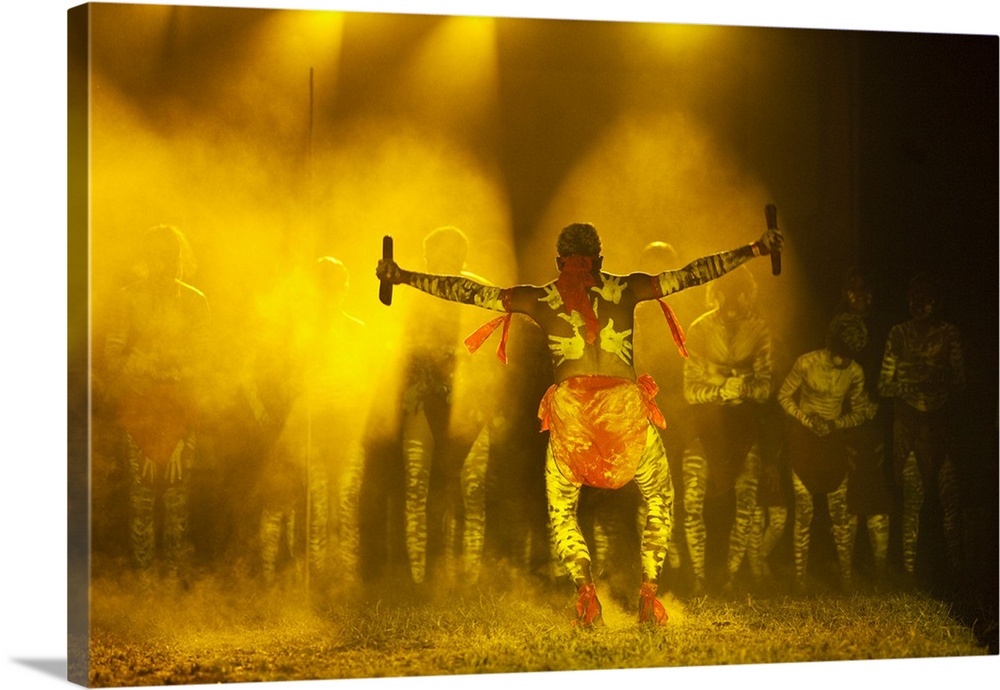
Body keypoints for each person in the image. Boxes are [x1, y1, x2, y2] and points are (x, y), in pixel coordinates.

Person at [376, 220, 783, 626]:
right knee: (659, 498)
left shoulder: (540, 299)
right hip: (623, 413)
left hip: (573, 415)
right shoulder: (627, 288)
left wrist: (404, 276)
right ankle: (648, 594)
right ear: (600, 259)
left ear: (558, 262)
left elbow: (469, 293)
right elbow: (692, 274)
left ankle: (586, 594)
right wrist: (755, 248)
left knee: (562, 507)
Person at [103, 224, 211, 588]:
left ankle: (172, 583)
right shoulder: (127, 298)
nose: (165, 262)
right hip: (140, 409)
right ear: (148, 258)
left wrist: (173, 366)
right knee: (142, 497)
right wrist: (143, 364)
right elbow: (113, 356)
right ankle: (146, 583)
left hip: (180, 408)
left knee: (178, 496)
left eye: (171, 254)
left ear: (181, 257)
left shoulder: (195, 301)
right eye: (158, 254)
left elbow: (205, 360)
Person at [397, 227, 497, 589]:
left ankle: (461, 575)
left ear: (457, 257)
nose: (432, 263)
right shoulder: (419, 295)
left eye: (439, 256)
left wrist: (483, 399)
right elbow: (406, 346)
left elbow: (493, 352)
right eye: (430, 257)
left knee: (466, 490)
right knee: (425, 489)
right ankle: (429, 575)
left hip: (467, 404)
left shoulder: (477, 292)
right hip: (429, 402)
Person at [680, 266, 773, 597]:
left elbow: (765, 388)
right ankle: (699, 578)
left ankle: (730, 576)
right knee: (692, 502)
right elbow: (690, 388)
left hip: (743, 426)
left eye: (739, 294)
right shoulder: (700, 328)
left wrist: (740, 389)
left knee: (746, 504)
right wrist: (723, 390)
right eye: (725, 293)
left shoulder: (758, 329)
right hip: (704, 424)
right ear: (715, 294)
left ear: (749, 294)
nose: (732, 301)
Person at [877, 272, 966, 591]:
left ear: (936, 302)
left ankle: (956, 570)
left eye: (925, 299)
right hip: (909, 425)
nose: (918, 305)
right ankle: (909, 573)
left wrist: (936, 384)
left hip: (939, 424)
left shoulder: (949, 334)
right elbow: (884, 385)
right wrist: (914, 384)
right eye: (913, 298)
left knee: (949, 502)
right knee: (912, 503)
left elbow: (960, 382)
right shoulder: (898, 334)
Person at [778, 315, 872, 593]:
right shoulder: (807, 363)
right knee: (804, 514)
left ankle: (846, 579)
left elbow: (859, 413)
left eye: (848, 356)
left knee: (840, 516)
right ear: (831, 344)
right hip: (804, 444)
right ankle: (799, 580)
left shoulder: (855, 372)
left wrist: (835, 424)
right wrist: (806, 420)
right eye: (839, 354)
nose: (842, 361)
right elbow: (783, 395)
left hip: (833, 445)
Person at [836, 269, 892, 587]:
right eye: (854, 289)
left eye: (866, 289)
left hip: (875, 415)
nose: (861, 296)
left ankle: (879, 564)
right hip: (846, 418)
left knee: (876, 484)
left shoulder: (883, 328)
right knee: (847, 487)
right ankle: (849, 563)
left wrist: (876, 407)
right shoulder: (837, 327)